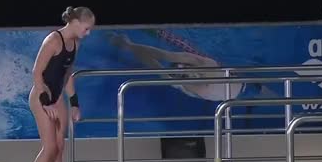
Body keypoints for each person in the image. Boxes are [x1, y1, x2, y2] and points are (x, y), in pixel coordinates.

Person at [26, 6, 95, 162]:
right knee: (50, 147)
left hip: (57, 98)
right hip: (41, 96)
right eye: (86, 28)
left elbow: (67, 76)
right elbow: (37, 73)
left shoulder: (75, 44)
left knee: (60, 148)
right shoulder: (53, 40)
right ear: (75, 23)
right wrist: (45, 103)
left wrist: (74, 104)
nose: (88, 33)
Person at [109, 32, 275, 101]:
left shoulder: (203, 65)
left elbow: (160, 57)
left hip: (230, 80)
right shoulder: (190, 78)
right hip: (234, 87)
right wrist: (129, 46)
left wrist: (129, 46)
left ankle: (154, 33)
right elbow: (157, 58)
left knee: (176, 50)